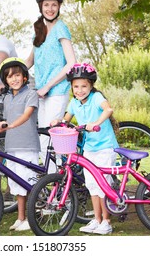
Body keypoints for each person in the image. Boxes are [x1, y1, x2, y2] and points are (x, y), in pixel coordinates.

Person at [51, 63, 119, 235]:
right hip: (89, 149)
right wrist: (57, 122)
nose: (79, 90)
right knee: (91, 185)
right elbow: (66, 119)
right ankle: (97, 219)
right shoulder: (74, 103)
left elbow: (108, 109)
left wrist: (95, 123)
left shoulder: (96, 98)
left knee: (102, 185)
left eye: (83, 86)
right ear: (72, 88)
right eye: (76, 86)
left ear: (91, 86)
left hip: (105, 147)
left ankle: (107, 221)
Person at [25, 0, 77, 172]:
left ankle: (59, 190)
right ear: (41, 7)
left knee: (51, 140)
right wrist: (11, 73)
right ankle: (53, 184)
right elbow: (30, 60)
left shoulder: (61, 28)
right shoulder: (38, 30)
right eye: (46, 5)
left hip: (56, 90)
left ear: (59, 6)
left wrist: (48, 86)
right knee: (43, 138)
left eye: (53, 5)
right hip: (41, 91)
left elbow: (71, 63)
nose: (50, 8)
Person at [0, 57, 40, 231]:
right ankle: (21, 218)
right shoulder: (6, 99)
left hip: (27, 145)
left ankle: (31, 218)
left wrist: (12, 124)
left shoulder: (31, 94)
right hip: (11, 147)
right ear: (5, 80)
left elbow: (27, 115)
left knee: (28, 183)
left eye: (17, 75)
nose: (14, 79)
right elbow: (7, 122)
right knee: (16, 184)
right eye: (9, 77)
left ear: (24, 77)